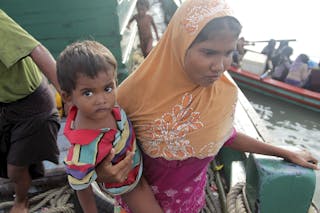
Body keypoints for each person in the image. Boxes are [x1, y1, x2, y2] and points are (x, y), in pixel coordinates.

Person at [97, 0, 319, 212]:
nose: (220, 66)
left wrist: (283, 152)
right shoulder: (132, 96)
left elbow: (224, 135)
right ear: (180, 44)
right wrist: (102, 171)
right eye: (209, 52)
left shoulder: (223, 92)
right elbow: (119, 169)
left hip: (192, 204)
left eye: (229, 53)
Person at [56, 40, 162, 213]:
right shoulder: (83, 148)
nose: (101, 99)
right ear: (68, 96)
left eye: (107, 88)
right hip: (129, 184)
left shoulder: (111, 105)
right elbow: (80, 185)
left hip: (140, 161)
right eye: (88, 93)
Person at [0, 9, 60, 213]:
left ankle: (21, 201)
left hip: (31, 102)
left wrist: (69, 95)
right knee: (9, 167)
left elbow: (37, 50)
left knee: (15, 168)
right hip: (3, 104)